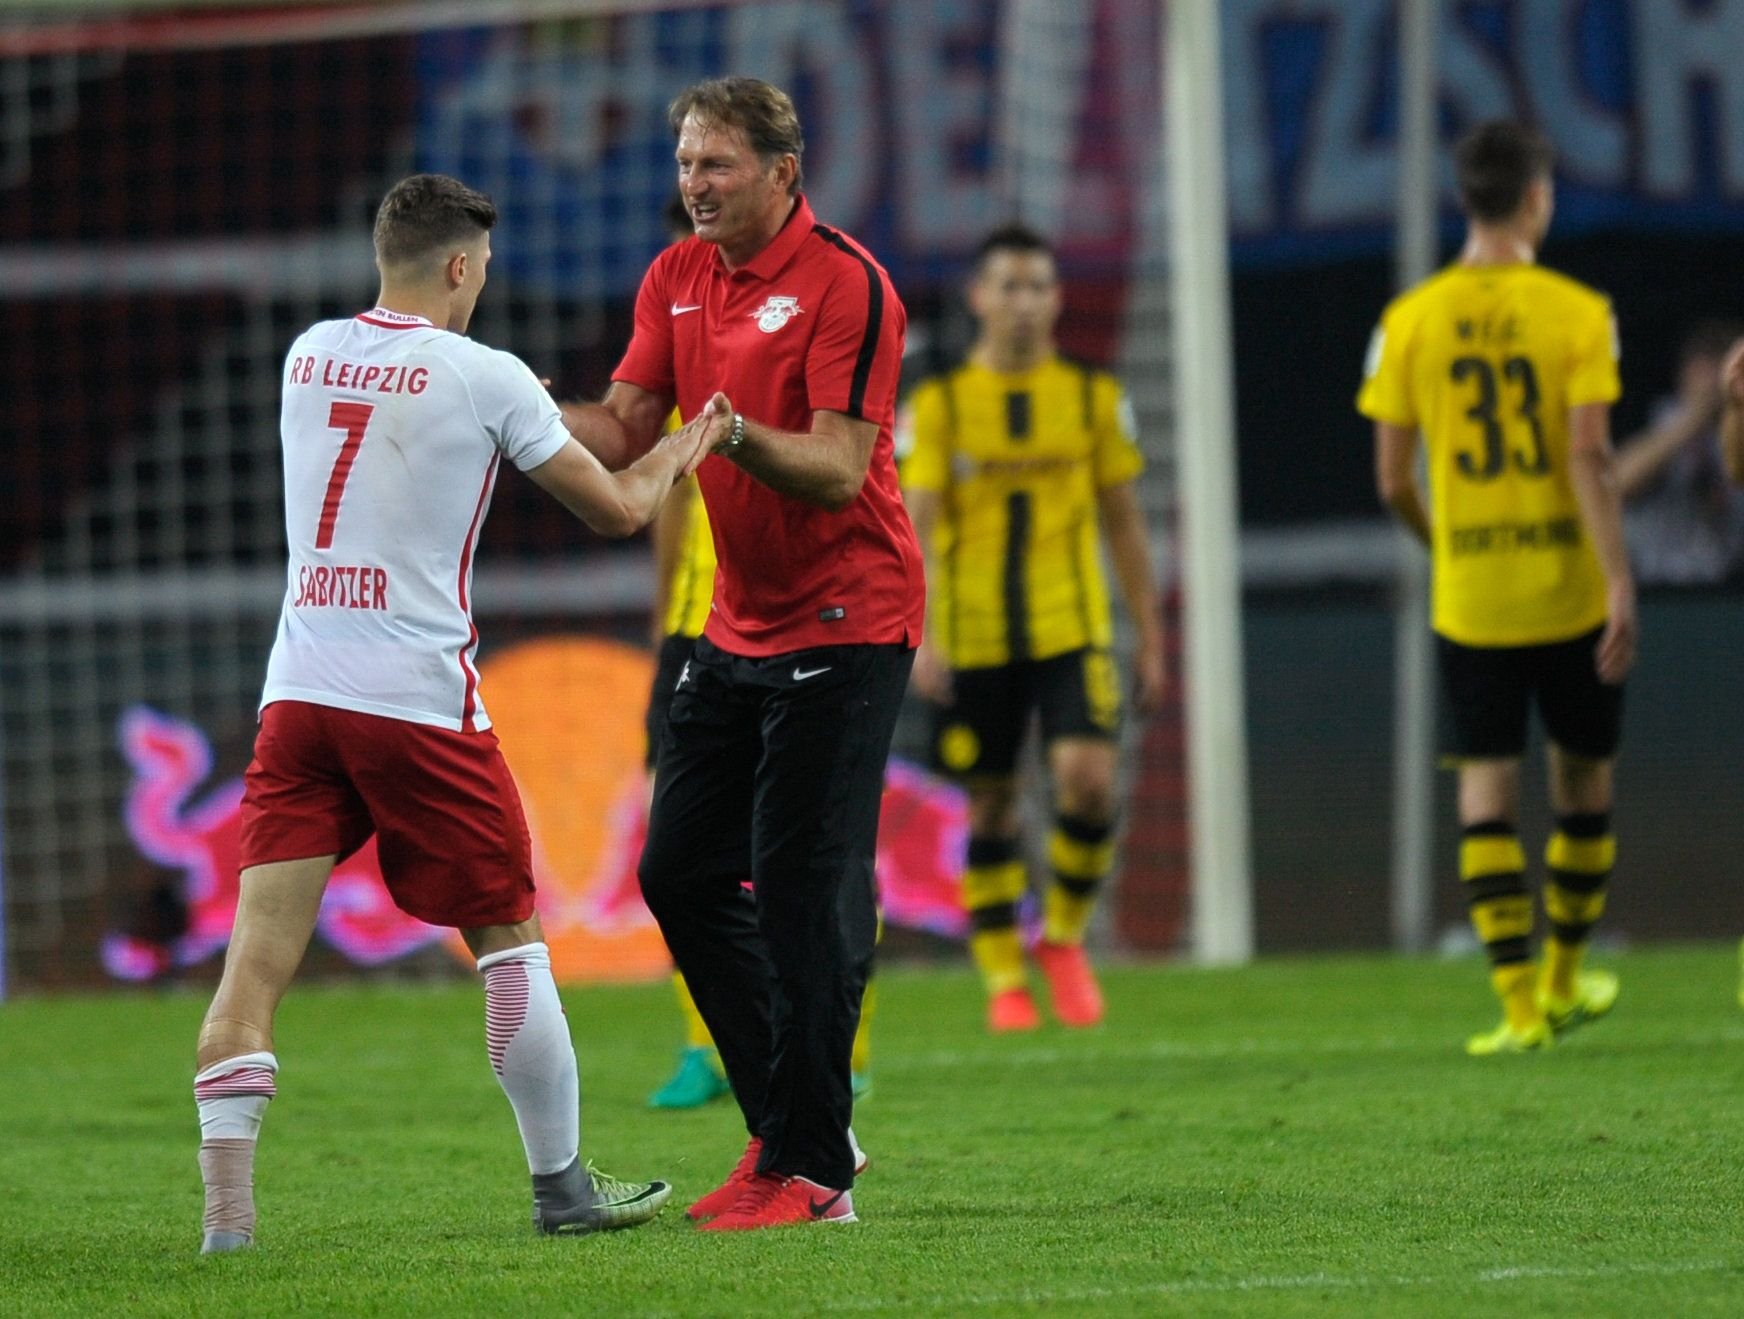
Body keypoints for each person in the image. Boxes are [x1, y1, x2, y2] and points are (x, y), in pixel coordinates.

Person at [192, 173, 727, 1253]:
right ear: (458, 266)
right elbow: (621, 504)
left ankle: (228, 1223)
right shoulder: (483, 374)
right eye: (480, 267)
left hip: (297, 693)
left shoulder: (307, 353)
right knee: (509, 938)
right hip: (416, 703)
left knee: (256, 955)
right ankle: (563, 1185)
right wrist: (695, 437)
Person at [563, 77, 921, 1231]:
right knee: (678, 870)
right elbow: (621, 426)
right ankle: (802, 1133)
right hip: (734, 624)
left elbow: (835, 465)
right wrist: (500, 399)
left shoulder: (849, 284)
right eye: (683, 163)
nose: (694, 185)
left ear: (783, 170)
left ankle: (810, 1172)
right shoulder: (675, 277)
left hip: (847, 620)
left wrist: (727, 429)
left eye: (715, 165)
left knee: (803, 894)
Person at [1358, 121, 1636, 1056]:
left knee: (1488, 788)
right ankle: (1562, 976)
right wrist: (1620, 578)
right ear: (1536, 198)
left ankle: (1517, 1007)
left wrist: (1448, 544)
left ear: (1465, 199)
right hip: (1567, 586)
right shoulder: (1578, 311)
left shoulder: (1409, 320)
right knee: (1582, 778)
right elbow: (1590, 452)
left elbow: (1393, 477)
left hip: (1472, 596)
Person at [639, 195, 879, 1110]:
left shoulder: (804, 336)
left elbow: (850, 469)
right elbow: (667, 501)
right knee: (686, 854)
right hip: (699, 632)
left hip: (808, 624)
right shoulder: (675, 357)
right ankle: (710, 1042)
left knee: (822, 854)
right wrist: (664, 625)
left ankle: (838, 1044)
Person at [900, 224, 1165, 1034]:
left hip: (1071, 626)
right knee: (991, 808)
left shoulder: (1091, 396)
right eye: (1007, 285)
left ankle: (1065, 937)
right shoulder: (939, 404)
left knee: (1088, 778)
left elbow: (1124, 522)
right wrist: (922, 633)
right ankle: (1003, 982)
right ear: (979, 298)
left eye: (1038, 285)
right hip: (973, 635)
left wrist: (1150, 633)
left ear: (1055, 300)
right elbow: (916, 523)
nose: (1023, 301)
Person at [1615, 320, 1744, 584]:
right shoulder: (1661, 426)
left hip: (1729, 591)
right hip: (1659, 593)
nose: (1712, 381)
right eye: (1703, 367)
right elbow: (1615, 486)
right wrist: (1697, 415)